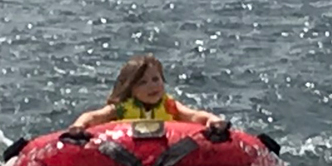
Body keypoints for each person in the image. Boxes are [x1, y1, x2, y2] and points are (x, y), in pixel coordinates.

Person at [68, 53, 219, 134]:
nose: (152, 86)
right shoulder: (121, 109)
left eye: (156, 79)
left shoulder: (170, 106)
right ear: (131, 88)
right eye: (142, 83)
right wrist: (78, 126)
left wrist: (212, 120)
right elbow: (93, 116)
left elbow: (194, 116)